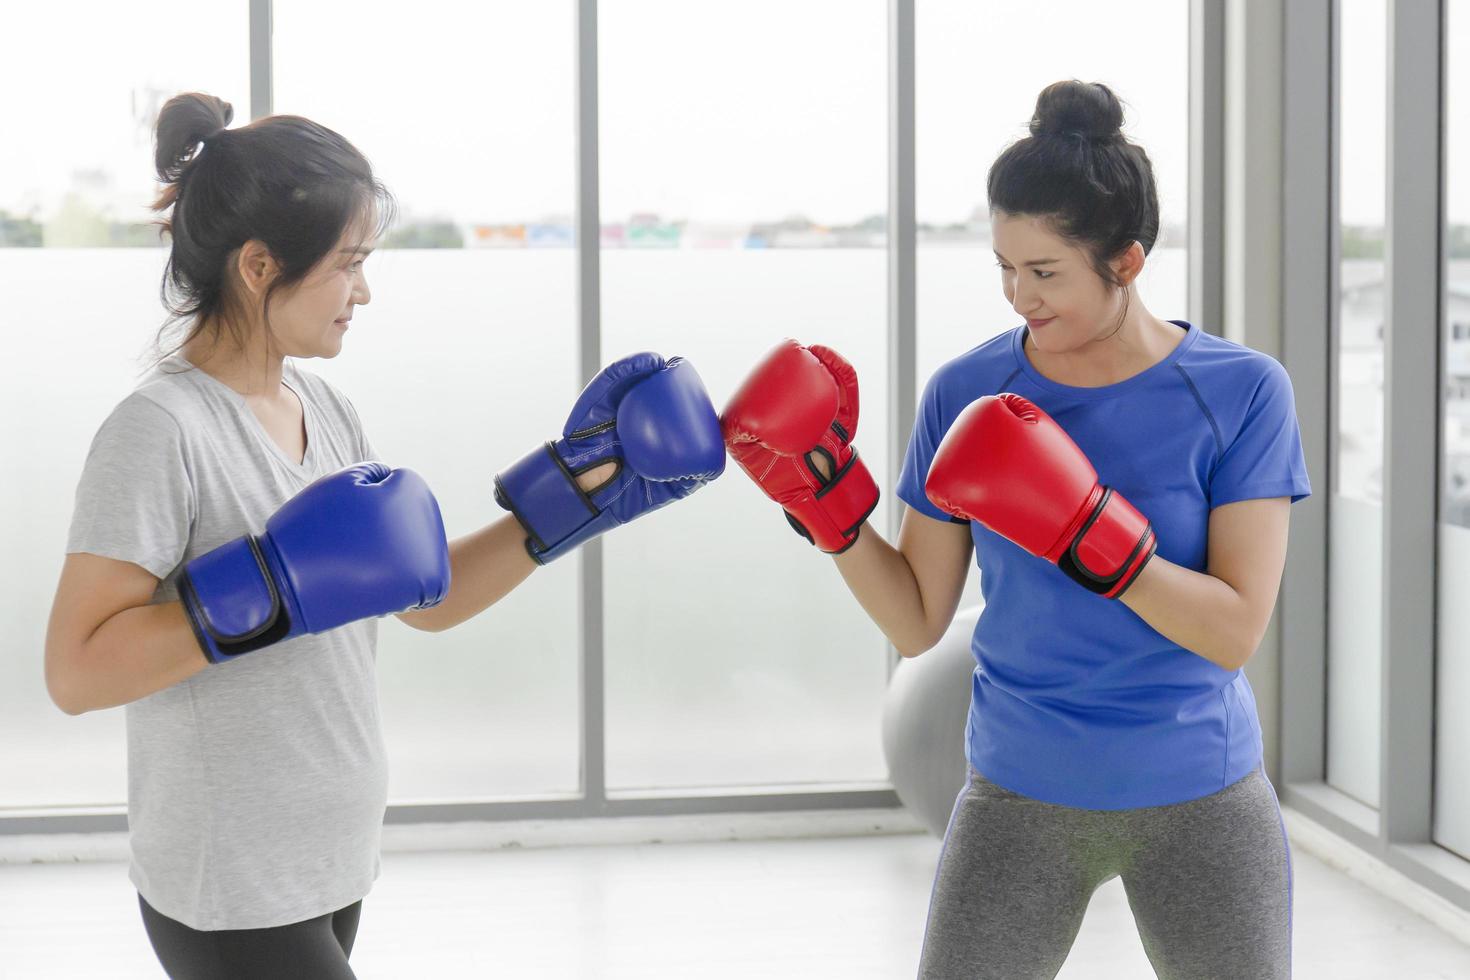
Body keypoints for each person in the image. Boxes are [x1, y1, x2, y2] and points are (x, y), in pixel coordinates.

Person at [43, 92, 724, 979]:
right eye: (348, 263)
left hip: (327, 862)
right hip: (231, 883)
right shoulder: (160, 429)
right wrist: (277, 586)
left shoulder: (322, 409)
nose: (364, 290)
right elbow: (75, 670)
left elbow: (422, 598)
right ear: (258, 266)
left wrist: (572, 495)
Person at [722, 80, 1310, 979]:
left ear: (1127, 260)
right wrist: (824, 504)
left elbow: (1235, 629)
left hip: (1200, 791)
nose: (1018, 296)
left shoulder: (1241, 391)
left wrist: (1088, 533)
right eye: (1003, 266)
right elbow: (918, 619)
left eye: (1045, 273)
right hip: (1018, 790)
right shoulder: (968, 393)